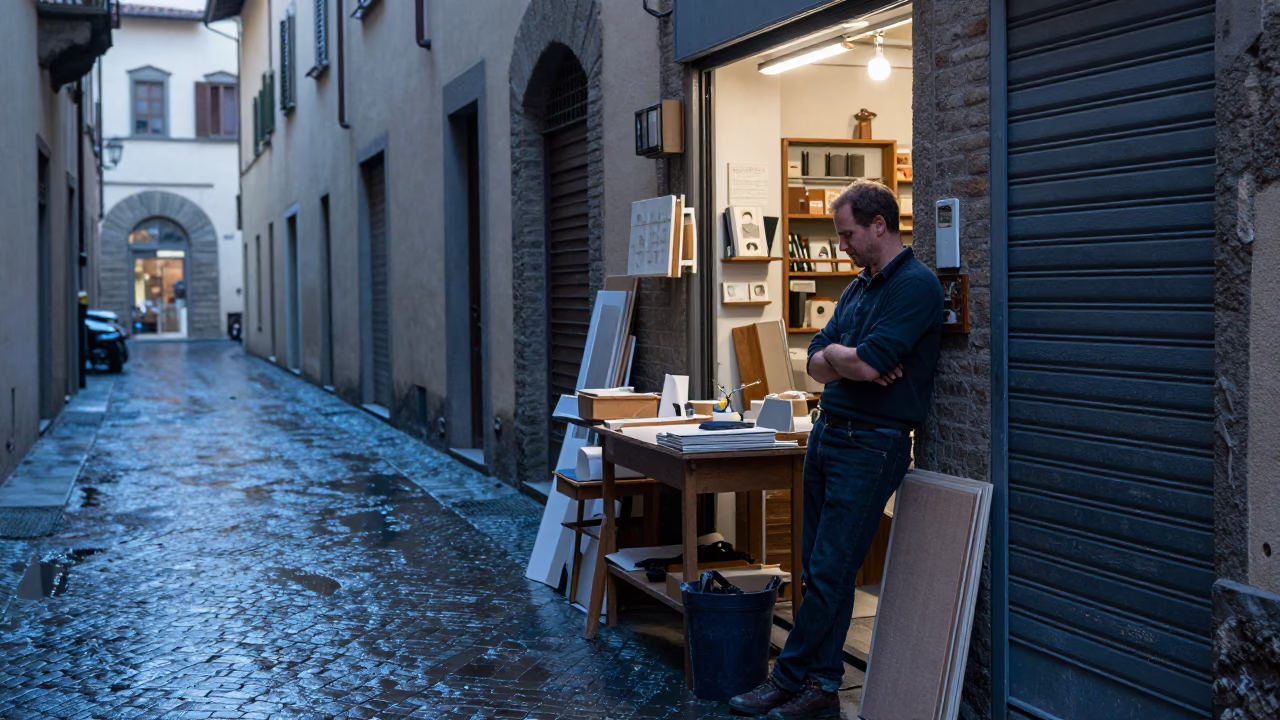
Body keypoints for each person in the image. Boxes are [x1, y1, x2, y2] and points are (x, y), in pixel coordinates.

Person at [728, 180, 943, 719]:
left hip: (872, 445)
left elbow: (865, 364)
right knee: (819, 570)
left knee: (828, 570)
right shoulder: (858, 288)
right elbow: (816, 356)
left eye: (846, 234)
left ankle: (787, 677)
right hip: (830, 435)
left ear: (879, 225)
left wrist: (850, 361)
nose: (841, 245)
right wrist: (853, 360)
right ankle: (822, 687)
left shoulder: (915, 287)